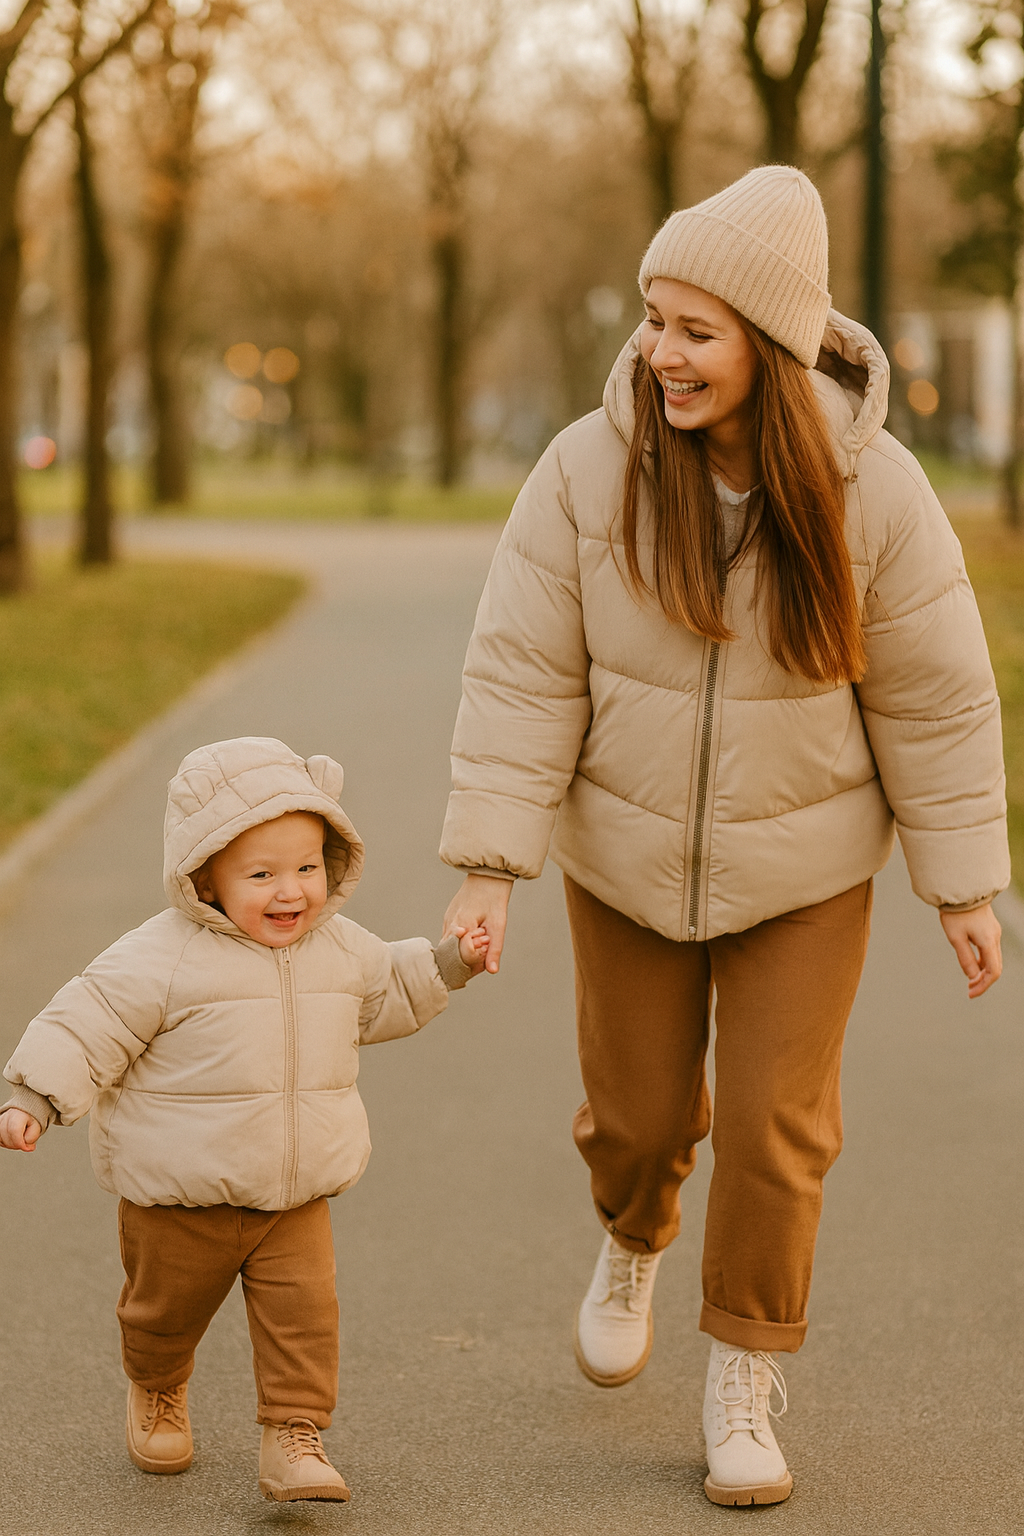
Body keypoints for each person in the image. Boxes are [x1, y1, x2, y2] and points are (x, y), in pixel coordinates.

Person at [440, 166, 1008, 1507]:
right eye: (654, 319)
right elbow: (522, 673)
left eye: (696, 329)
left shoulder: (877, 492)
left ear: (769, 340)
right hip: (624, 860)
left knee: (775, 1126)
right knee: (640, 1121)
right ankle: (635, 1232)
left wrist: (965, 886)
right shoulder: (589, 471)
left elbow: (935, 694)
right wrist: (488, 861)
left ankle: (746, 1368)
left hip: (806, 871)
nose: (660, 352)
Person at [0, 736, 487, 1505]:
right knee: (163, 1316)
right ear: (205, 878)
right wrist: (33, 1095)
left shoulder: (339, 947)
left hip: (293, 1196)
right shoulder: (158, 957)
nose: (290, 891)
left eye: (306, 868)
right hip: (178, 1200)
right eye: (261, 874)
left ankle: (294, 1435)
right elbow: (84, 1021)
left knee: (306, 1319)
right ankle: (157, 1385)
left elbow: (390, 987)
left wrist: (451, 961)